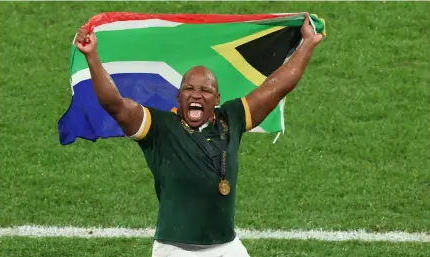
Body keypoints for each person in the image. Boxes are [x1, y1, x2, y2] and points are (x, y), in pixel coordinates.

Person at [74, 13, 323, 257]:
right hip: (175, 250)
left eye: (205, 90)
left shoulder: (231, 118)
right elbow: (115, 105)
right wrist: (92, 57)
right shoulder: (158, 128)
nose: (196, 94)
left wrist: (308, 43)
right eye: (189, 89)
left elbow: (277, 86)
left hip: (227, 247)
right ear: (178, 97)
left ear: (217, 99)